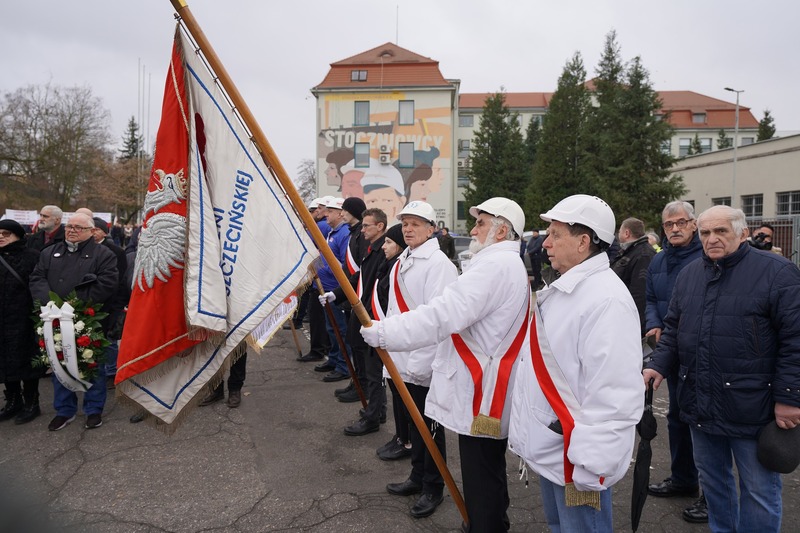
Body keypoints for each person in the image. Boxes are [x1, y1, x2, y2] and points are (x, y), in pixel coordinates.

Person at [363, 198, 529, 529]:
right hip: (483, 384)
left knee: (481, 471)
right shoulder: (499, 264)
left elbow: (441, 315)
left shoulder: (495, 267)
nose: (474, 229)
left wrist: (384, 333)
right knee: (486, 470)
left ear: (502, 231)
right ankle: (489, 519)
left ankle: (487, 524)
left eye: (481, 223)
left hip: (482, 387)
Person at [643, 205, 800, 533]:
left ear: (743, 233)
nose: (711, 239)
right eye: (705, 233)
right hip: (700, 402)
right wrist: (657, 365)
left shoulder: (777, 272)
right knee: (714, 485)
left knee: (758, 491)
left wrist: (789, 397)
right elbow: (673, 327)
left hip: (753, 407)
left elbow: (794, 339)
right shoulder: (690, 274)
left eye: (721, 231)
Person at [509, 194, 644, 532]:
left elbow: (614, 392)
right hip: (558, 447)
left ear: (584, 242)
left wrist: (590, 463)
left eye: (555, 234)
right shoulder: (571, 288)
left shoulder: (606, 299)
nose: (546, 243)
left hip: (578, 457)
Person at [360, 200, 457, 520]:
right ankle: (418, 476)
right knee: (414, 429)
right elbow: (394, 313)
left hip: (423, 364)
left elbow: (436, 321)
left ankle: (434, 486)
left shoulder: (439, 264)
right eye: (405, 224)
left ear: (432, 229)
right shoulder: (404, 259)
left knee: (429, 429)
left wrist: (417, 365)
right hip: (401, 361)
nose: (408, 229)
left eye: (416, 223)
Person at [644, 201, 706, 521]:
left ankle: (711, 494)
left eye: (682, 222)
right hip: (671, 346)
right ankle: (684, 480)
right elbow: (651, 297)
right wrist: (654, 323)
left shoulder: (705, 256)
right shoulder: (660, 260)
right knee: (677, 416)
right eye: (669, 225)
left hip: (702, 350)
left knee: (705, 421)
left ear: (694, 224)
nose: (675, 229)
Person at [29, 212, 118, 431]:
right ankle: (64, 410)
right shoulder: (50, 252)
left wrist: (74, 305)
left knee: (92, 365)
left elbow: (107, 283)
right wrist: (49, 303)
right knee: (59, 363)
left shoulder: (103, 254)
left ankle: (93, 409)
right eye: (70, 226)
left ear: (90, 231)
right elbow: (37, 277)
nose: (72, 230)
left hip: (87, 318)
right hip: (54, 318)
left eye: (78, 227)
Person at [321, 207, 388, 434]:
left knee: (374, 372)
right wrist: (338, 294)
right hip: (363, 314)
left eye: (367, 225)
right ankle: (377, 411)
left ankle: (373, 416)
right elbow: (358, 277)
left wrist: (367, 316)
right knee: (369, 368)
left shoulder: (382, 252)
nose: (363, 229)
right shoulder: (372, 250)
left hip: (371, 317)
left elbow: (377, 289)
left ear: (380, 226)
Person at [373, 223, 412, 461]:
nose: (384, 246)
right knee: (395, 391)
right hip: (390, 336)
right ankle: (400, 436)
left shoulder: (399, 267)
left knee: (402, 394)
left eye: (388, 242)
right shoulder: (389, 265)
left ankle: (406, 441)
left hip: (401, 340)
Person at [0, 220, 43, 424]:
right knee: (5, 362)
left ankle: (31, 402)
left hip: (24, 319)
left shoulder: (32, 257)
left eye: (6, 233)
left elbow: (39, 286)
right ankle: (12, 400)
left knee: (27, 362)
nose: (1, 236)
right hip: (2, 320)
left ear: (17, 235)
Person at [313, 197, 352, 383]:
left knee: (340, 330)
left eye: (329, 211)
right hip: (326, 288)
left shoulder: (344, 234)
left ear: (339, 213)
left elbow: (345, 265)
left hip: (336, 290)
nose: (325, 214)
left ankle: (344, 366)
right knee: (332, 328)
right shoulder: (332, 232)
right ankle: (335, 360)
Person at [91, 217, 127, 386]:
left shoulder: (116, 251)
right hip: (89, 302)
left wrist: (118, 305)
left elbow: (120, 281)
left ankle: (111, 371)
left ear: (104, 232)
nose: (92, 233)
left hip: (110, 303)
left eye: (95, 229)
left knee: (109, 339)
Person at [296, 197, 332, 363]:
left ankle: (319, 350)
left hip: (322, 279)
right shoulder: (327, 227)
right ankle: (323, 349)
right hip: (321, 277)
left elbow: (308, 246)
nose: (313, 213)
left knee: (319, 317)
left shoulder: (322, 226)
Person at [610, 217, 656, 335]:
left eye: (619, 231)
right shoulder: (630, 251)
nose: (618, 234)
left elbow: (639, 294)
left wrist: (632, 325)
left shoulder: (643, 255)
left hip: (632, 321)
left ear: (627, 233)